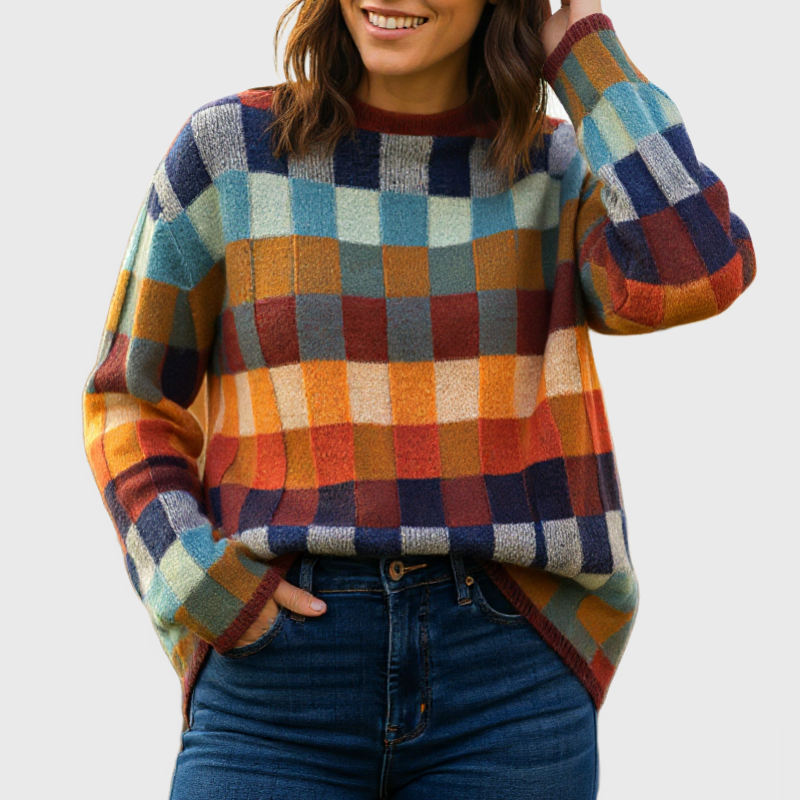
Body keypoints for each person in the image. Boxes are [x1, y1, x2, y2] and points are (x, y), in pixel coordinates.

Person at [82, 0, 756, 797]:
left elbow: (692, 270)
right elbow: (128, 401)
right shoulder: (231, 153)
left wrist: (585, 52)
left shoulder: (561, 171)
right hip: (274, 681)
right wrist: (195, 580)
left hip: (508, 682)